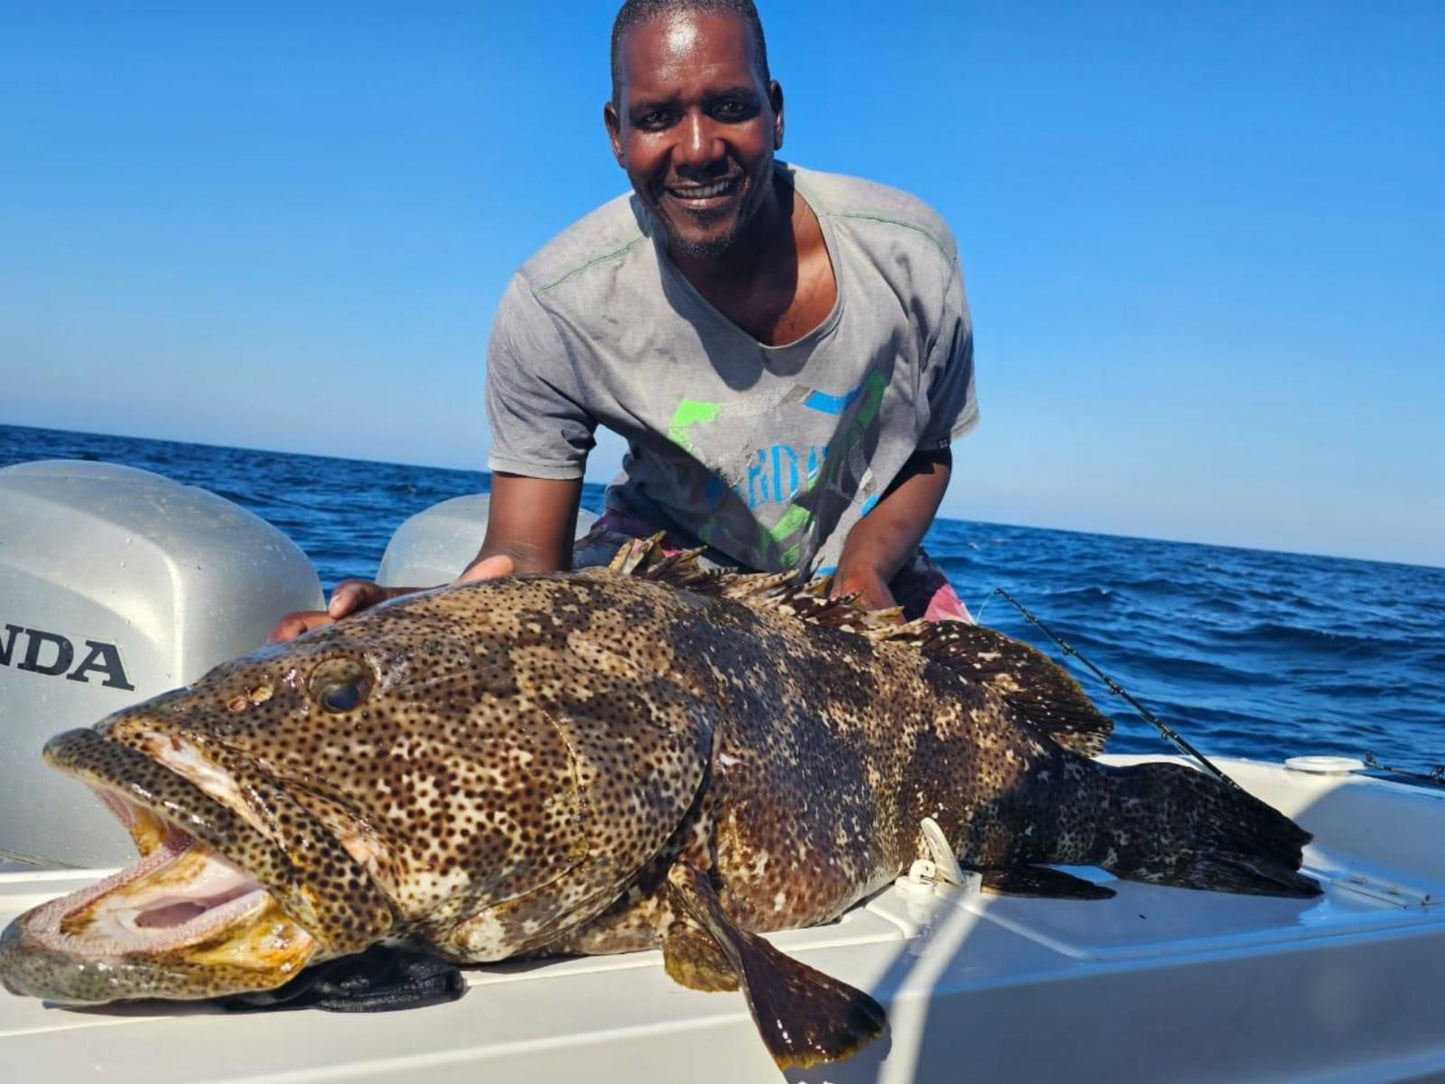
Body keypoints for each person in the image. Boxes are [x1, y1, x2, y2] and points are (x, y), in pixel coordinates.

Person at [271, 0, 976, 644]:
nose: (698, 148)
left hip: (864, 575)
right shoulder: (555, 306)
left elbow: (927, 449)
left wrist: (864, 566)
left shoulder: (905, 252)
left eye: (730, 106)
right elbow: (523, 563)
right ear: (616, 133)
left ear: (776, 110)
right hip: (664, 572)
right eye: (657, 117)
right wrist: (405, 619)